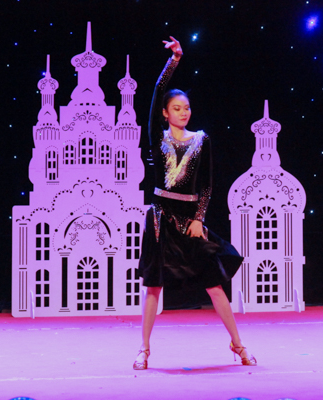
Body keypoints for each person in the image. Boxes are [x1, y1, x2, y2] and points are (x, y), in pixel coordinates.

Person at [133, 37, 256, 370]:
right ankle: (144, 349)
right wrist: (174, 60)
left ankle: (238, 344)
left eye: (186, 107)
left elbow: (207, 183)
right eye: (176, 108)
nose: (183, 112)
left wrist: (199, 218)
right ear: (164, 113)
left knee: (214, 284)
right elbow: (157, 91)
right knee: (154, 286)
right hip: (160, 219)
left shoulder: (201, 141)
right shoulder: (157, 137)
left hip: (190, 219)